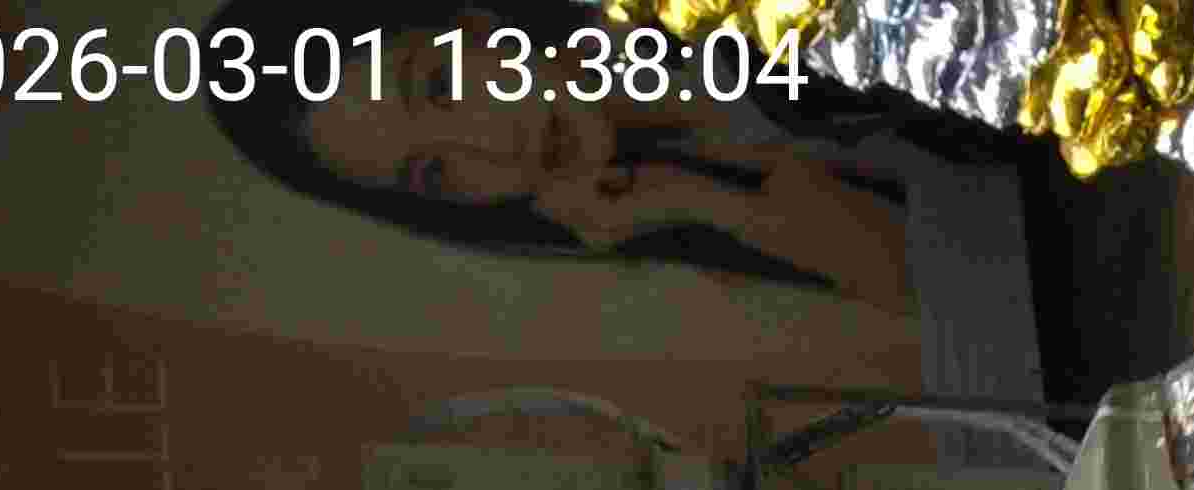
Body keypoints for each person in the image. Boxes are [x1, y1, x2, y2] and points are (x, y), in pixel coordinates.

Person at [194, 0, 978, 311]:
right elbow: (987, 298)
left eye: (440, 86)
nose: (489, 148)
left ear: (472, 21)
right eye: (434, 173)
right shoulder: (684, 191)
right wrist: (708, 204)